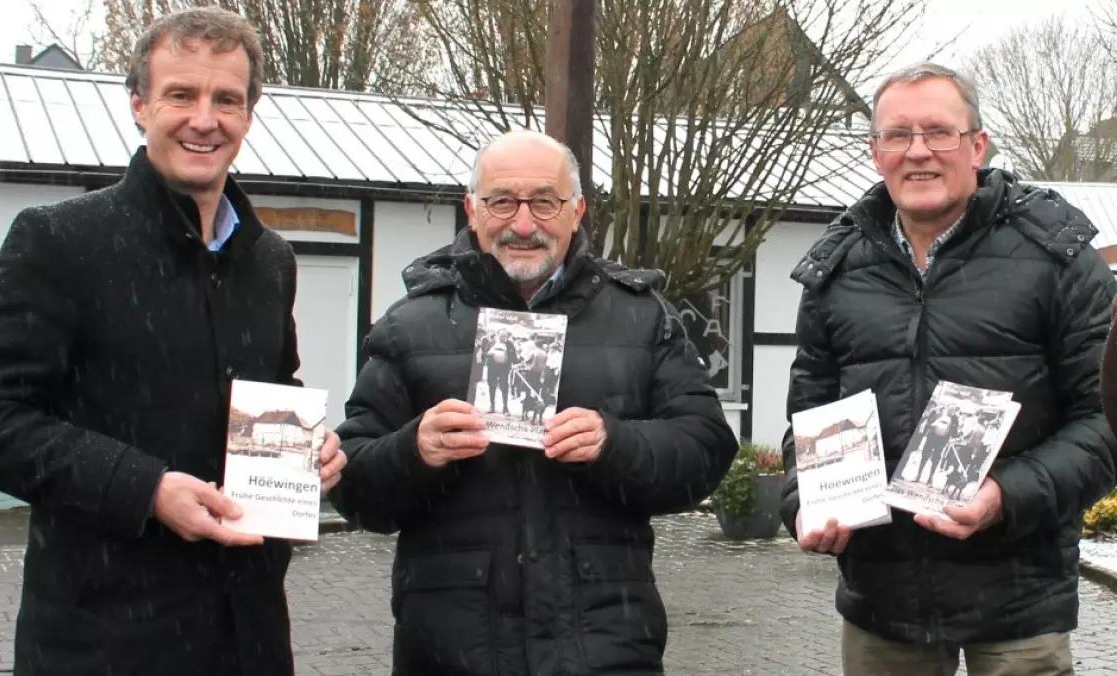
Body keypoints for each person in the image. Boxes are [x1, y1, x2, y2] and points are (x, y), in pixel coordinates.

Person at [0, 8, 345, 676]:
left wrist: (309, 448)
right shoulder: (61, 241)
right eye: (181, 94)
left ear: (249, 114)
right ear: (138, 105)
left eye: (226, 100)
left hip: (250, 639)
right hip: (105, 644)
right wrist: (147, 487)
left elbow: (272, 390)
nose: (204, 120)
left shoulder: (269, 260)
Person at [329, 129, 737, 675]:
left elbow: (707, 448)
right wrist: (414, 450)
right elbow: (351, 484)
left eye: (545, 202)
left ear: (577, 212)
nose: (523, 225)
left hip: (605, 651)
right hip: (451, 655)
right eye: (502, 201)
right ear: (471, 210)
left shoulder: (640, 316)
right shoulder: (411, 324)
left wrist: (615, 443)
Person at [781, 62, 1117, 675]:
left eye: (939, 132)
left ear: (978, 145)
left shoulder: (1058, 260)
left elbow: (1106, 423)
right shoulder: (837, 269)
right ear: (875, 152)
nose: (918, 152)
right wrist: (803, 500)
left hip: (1019, 602)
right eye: (897, 135)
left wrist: (1005, 496)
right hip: (883, 604)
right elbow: (808, 416)